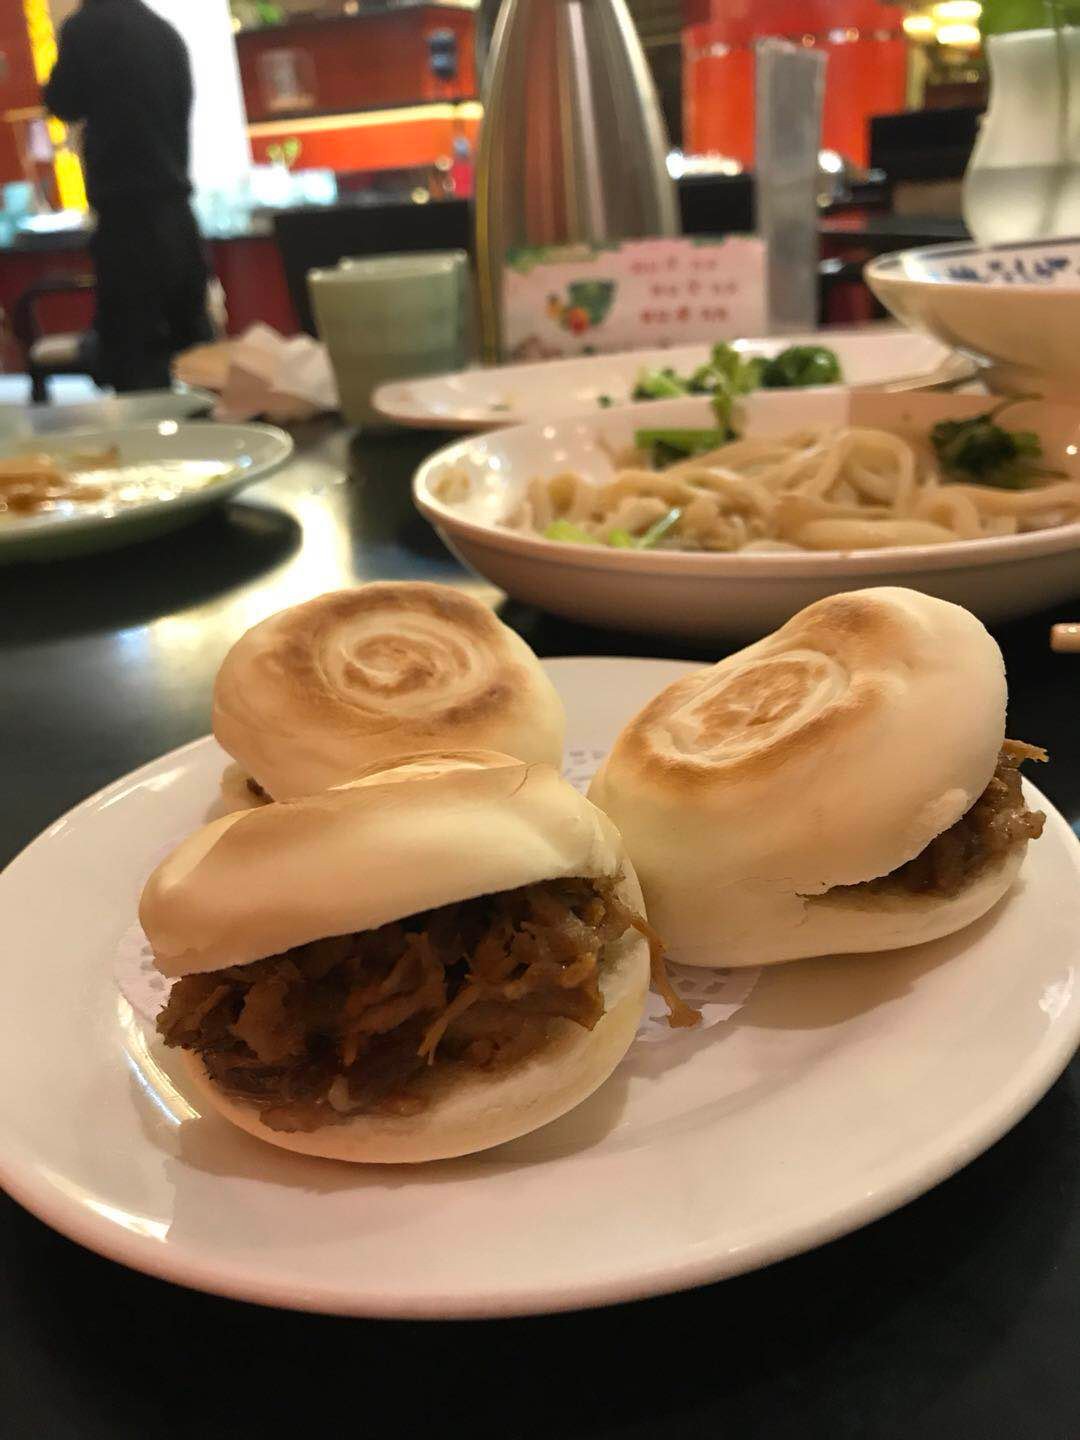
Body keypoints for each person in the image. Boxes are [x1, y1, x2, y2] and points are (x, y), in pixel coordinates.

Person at [43, 0, 212, 392]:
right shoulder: (164, 33)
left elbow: (63, 102)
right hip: (179, 215)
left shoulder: (86, 28)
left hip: (126, 219)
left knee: (135, 362)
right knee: (198, 358)